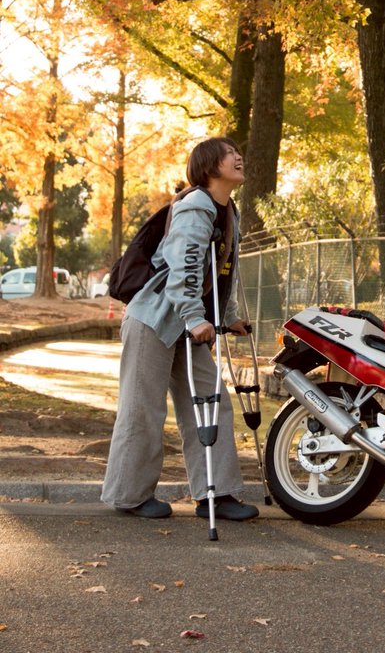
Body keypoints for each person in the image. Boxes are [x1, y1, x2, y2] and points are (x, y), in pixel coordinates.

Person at [101, 137, 259, 522]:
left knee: (211, 401)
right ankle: (130, 494)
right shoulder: (195, 207)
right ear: (209, 166)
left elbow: (222, 272)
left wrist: (229, 315)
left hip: (189, 325)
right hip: (155, 319)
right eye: (229, 153)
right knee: (142, 407)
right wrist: (194, 317)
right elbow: (183, 271)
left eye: (237, 151)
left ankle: (216, 494)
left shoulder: (228, 212)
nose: (238, 156)